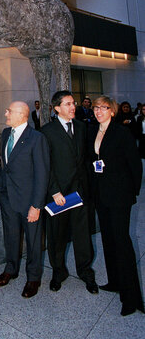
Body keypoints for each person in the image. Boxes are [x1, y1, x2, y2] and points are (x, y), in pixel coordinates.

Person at [87, 95, 144, 316]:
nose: (99, 111)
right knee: (108, 239)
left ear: (113, 111)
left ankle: (131, 298)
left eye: (104, 107)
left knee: (122, 243)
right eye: (96, 107)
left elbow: (134, 164)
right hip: (101, 195)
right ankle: (114, 282)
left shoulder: (122, 133)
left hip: (120, 196)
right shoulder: (93, 131)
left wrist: (132, 192)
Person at [0, 101, 50, 298]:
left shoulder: (36, 138)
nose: (5, 112)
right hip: (7, 196)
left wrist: (36, 205)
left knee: (33, 241)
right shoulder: (6, 134)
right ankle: (11, 269)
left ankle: (33, 278)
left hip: (29, 201)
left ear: (22, 115)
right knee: (11, 236)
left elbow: (42, 174)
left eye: (9, 111)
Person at [41, 90, 98, 294]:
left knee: (83, 234)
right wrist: (54, 190)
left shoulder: (82, 127)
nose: (73, 107)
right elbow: (45, 165)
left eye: (73, 103)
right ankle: (58, 272)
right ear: (57, 108)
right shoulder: (46, 131)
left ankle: (85, 271)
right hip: (59, 195)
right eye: (67, 104)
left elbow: (86, 159)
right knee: (57, 235)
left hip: (80, 191)